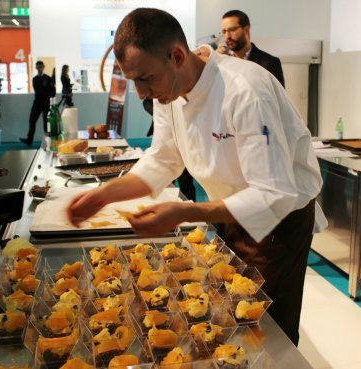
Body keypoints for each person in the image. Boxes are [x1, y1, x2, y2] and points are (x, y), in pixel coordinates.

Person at [66, 8, 325, 345]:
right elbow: (162, 159)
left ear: (176, 56)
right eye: (134, 82)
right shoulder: (168, 90)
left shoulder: (246, 90)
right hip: (230, 209)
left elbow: (271, 192)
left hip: (279, 222)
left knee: (265, 329)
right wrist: (103, 196)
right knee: (228, 309)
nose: (142, 93)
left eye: (145, 79)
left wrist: (187, 212)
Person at [142, 98, 196, 201]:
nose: (141, 93)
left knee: (185, 180)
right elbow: (146, 102)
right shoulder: (158, 101)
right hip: (169, 139)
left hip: (185, 140)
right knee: (168, 180)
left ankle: (189, 205)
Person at [220, 10, 285, 87]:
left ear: (246, 30)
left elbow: (279, 97)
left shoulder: (270, 63)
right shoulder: (222, 62)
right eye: (224, 31)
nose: (227, 36)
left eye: (232, 30)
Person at [20, 60, 56, 146]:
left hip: (46, 103)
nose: (40, 68)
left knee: (46, 123)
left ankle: (48, 141)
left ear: (43, 67)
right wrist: (46, 88)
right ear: (36, 68)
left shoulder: (48, 78)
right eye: (38, 67)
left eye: (41, 67)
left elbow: (52, 92)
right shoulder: (35, 79)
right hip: (37, 103)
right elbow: (38, 90)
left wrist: (47, 90)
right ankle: (29, 140)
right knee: (32, 120)